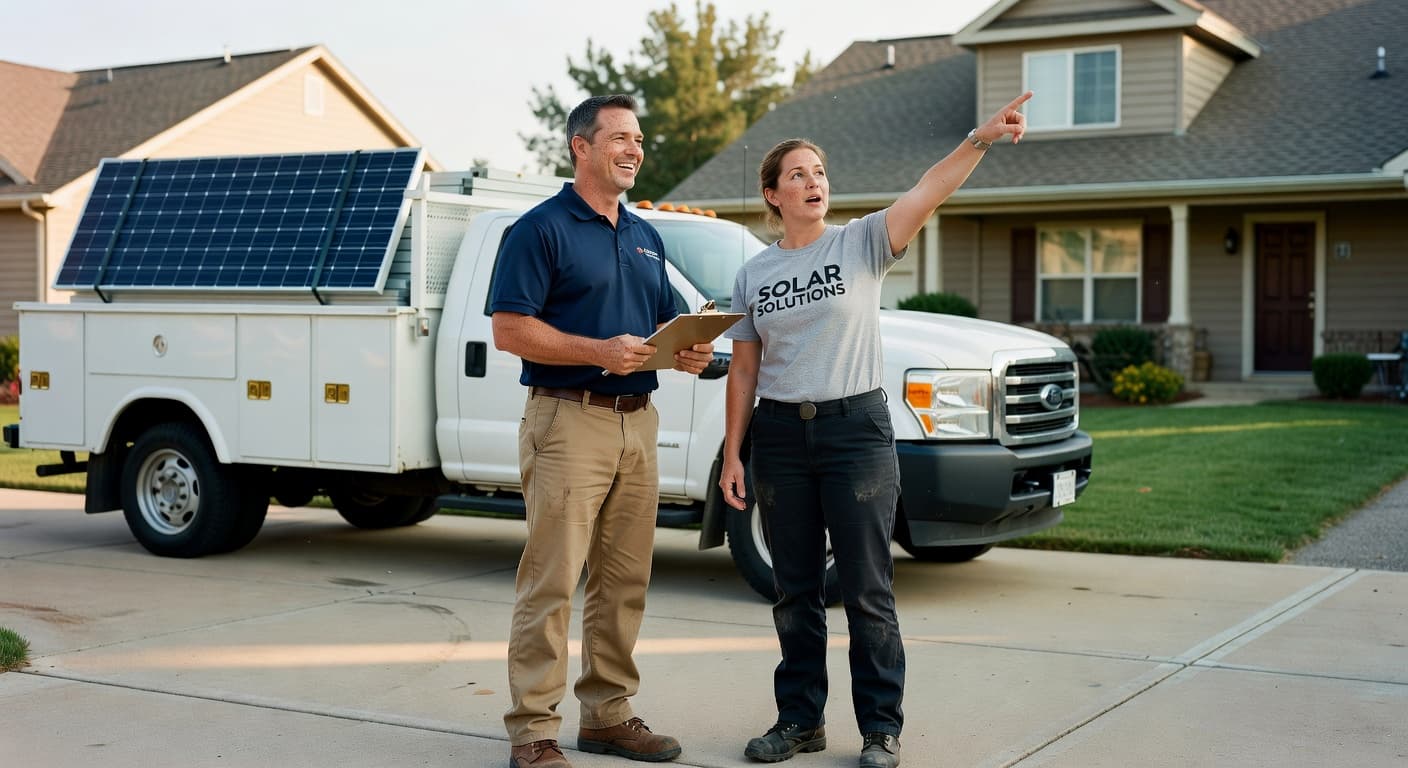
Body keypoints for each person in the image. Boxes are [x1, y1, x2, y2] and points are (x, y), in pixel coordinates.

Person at [719, 92, 1033, 768]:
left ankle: (880, 730)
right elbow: (743, 372)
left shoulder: (861, 242)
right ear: (773, 194)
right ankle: (799, 721)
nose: (814, 182)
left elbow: (928, 190)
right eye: (798, 174)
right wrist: (732, 456)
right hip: (777, 435)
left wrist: (976, 140)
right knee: (795, 591)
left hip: (854, 432)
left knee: (866, 590)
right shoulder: (754, 274)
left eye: (821, 172)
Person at [491, 93, 715, 768]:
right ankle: (533, 731)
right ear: (580, 148)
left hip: (636, 424)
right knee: (553, 582)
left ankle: (608, 715)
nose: (634, 149)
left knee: (623, 581)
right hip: (567, 421)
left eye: (639, 139)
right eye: (619, 137)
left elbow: (665, 328)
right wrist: (596, 350)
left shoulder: (646, 236)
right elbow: (509, 329)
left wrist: (694, 352)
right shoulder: (539, 230)